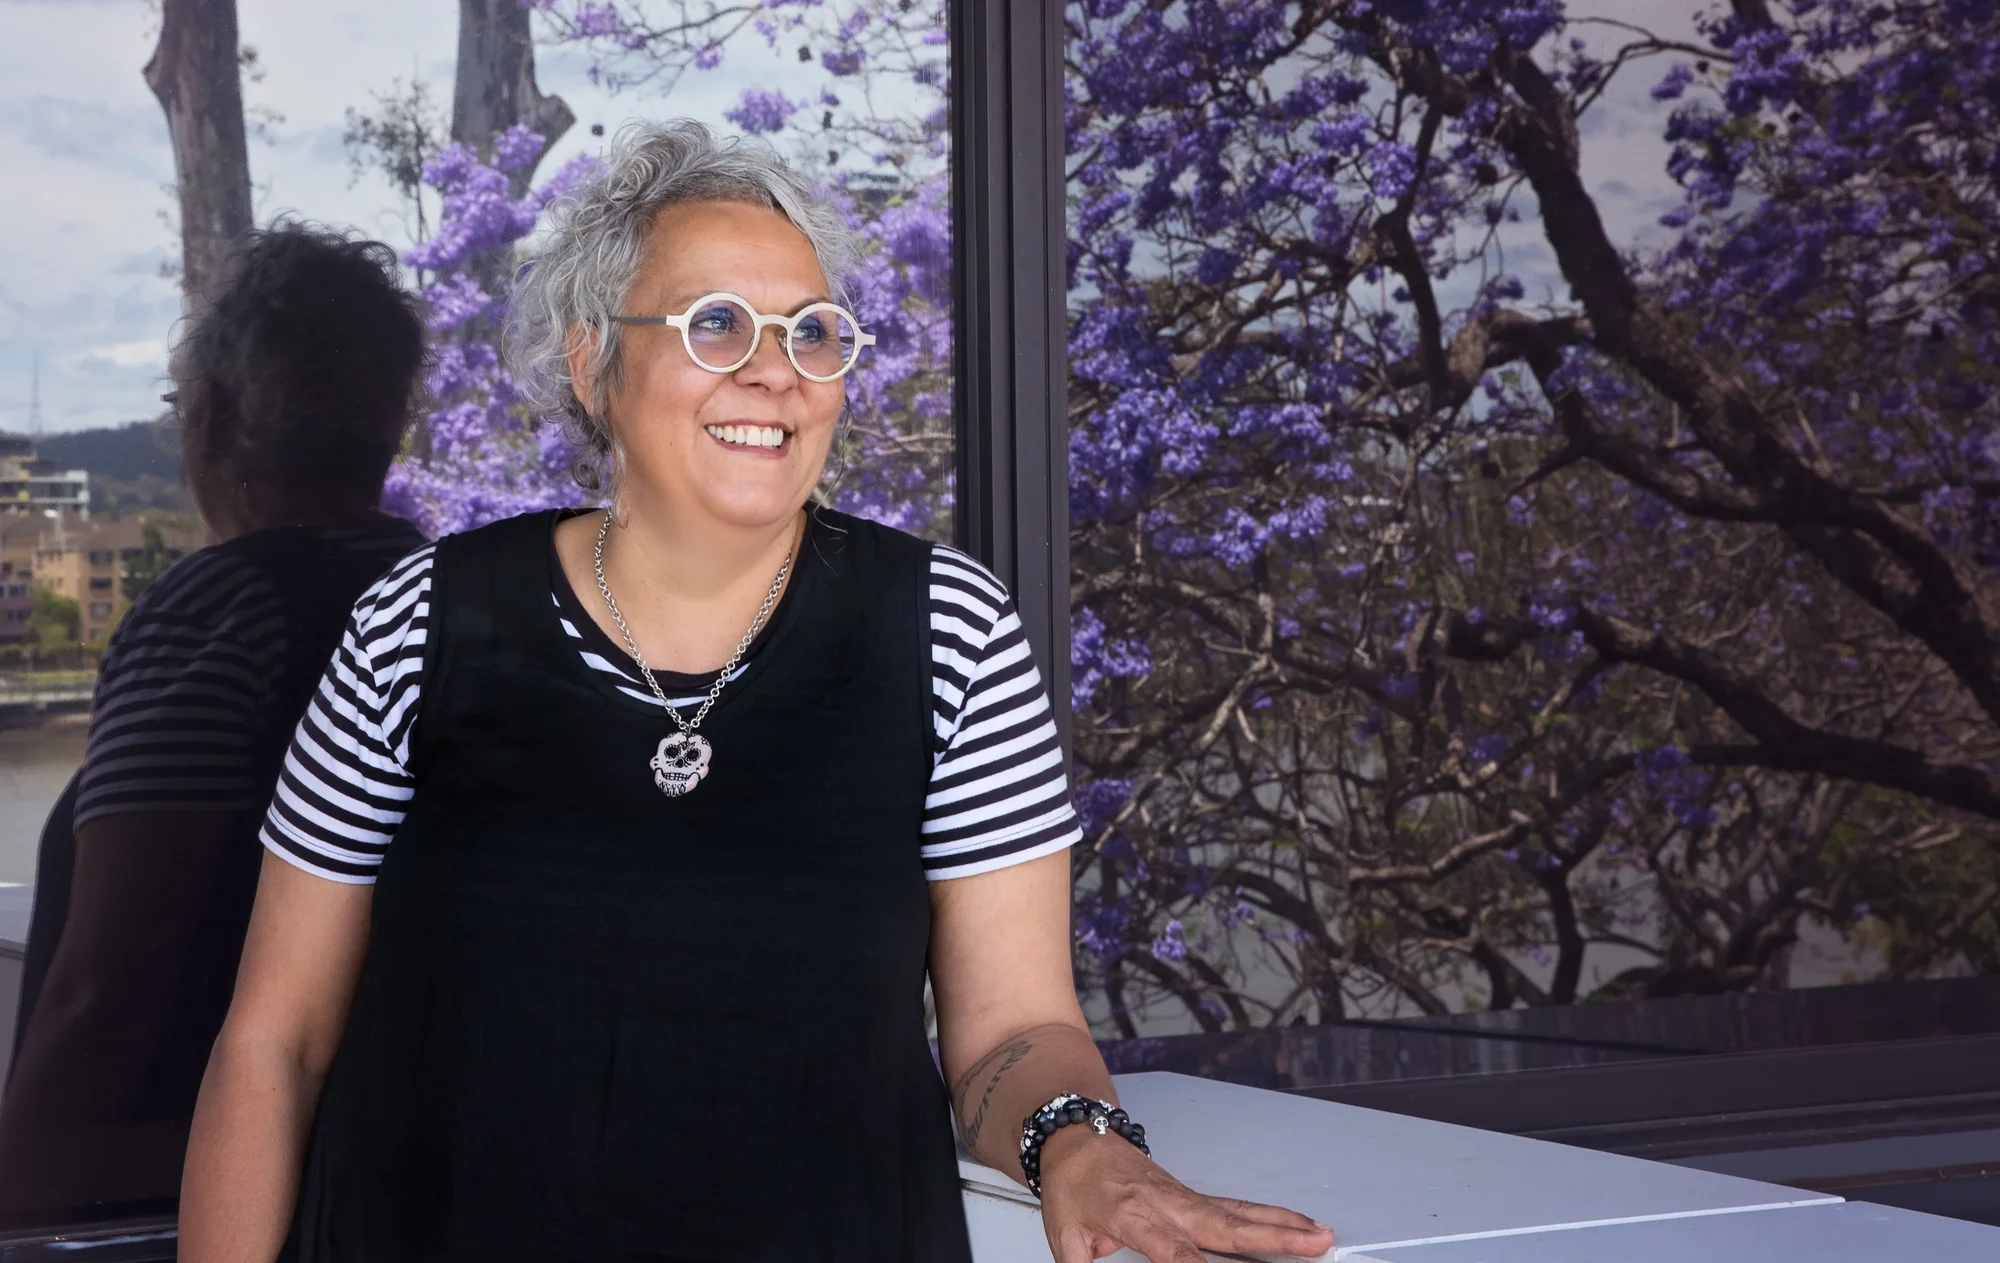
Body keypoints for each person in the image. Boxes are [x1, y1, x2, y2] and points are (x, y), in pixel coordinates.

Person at [178, 121, 1338, 1263]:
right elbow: (274, 1043)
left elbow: (1014, 1028)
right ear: (594, 362)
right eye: (717, 325)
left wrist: (1080, 1147)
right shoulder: (420, 622)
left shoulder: (947, 632)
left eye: (812, 331)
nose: (776, 370)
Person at [0, 224, 430, 1225]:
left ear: (214, 420)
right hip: (382, 1186)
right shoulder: (454, 601)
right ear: (385, 425)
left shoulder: (225, 606)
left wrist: (14, 1213)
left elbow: (108, 985)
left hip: (177, 1194)